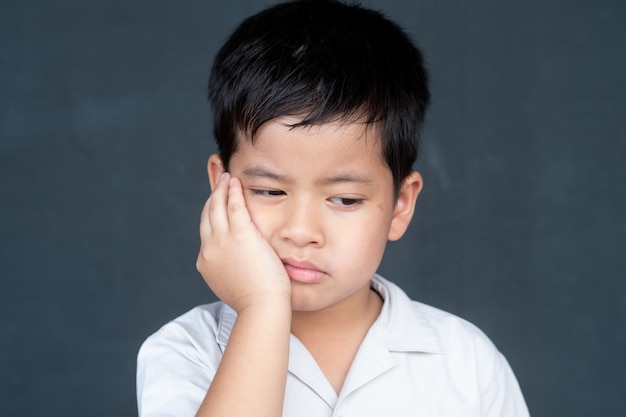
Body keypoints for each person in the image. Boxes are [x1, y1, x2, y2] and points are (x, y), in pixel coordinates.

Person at [136, 1, 531, 416]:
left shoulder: (465, 363)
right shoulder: (186, 349)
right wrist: (261, 307)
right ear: (221, 188)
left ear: (400, 204)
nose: (302, 230)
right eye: (269, 191)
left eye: (345, 199)